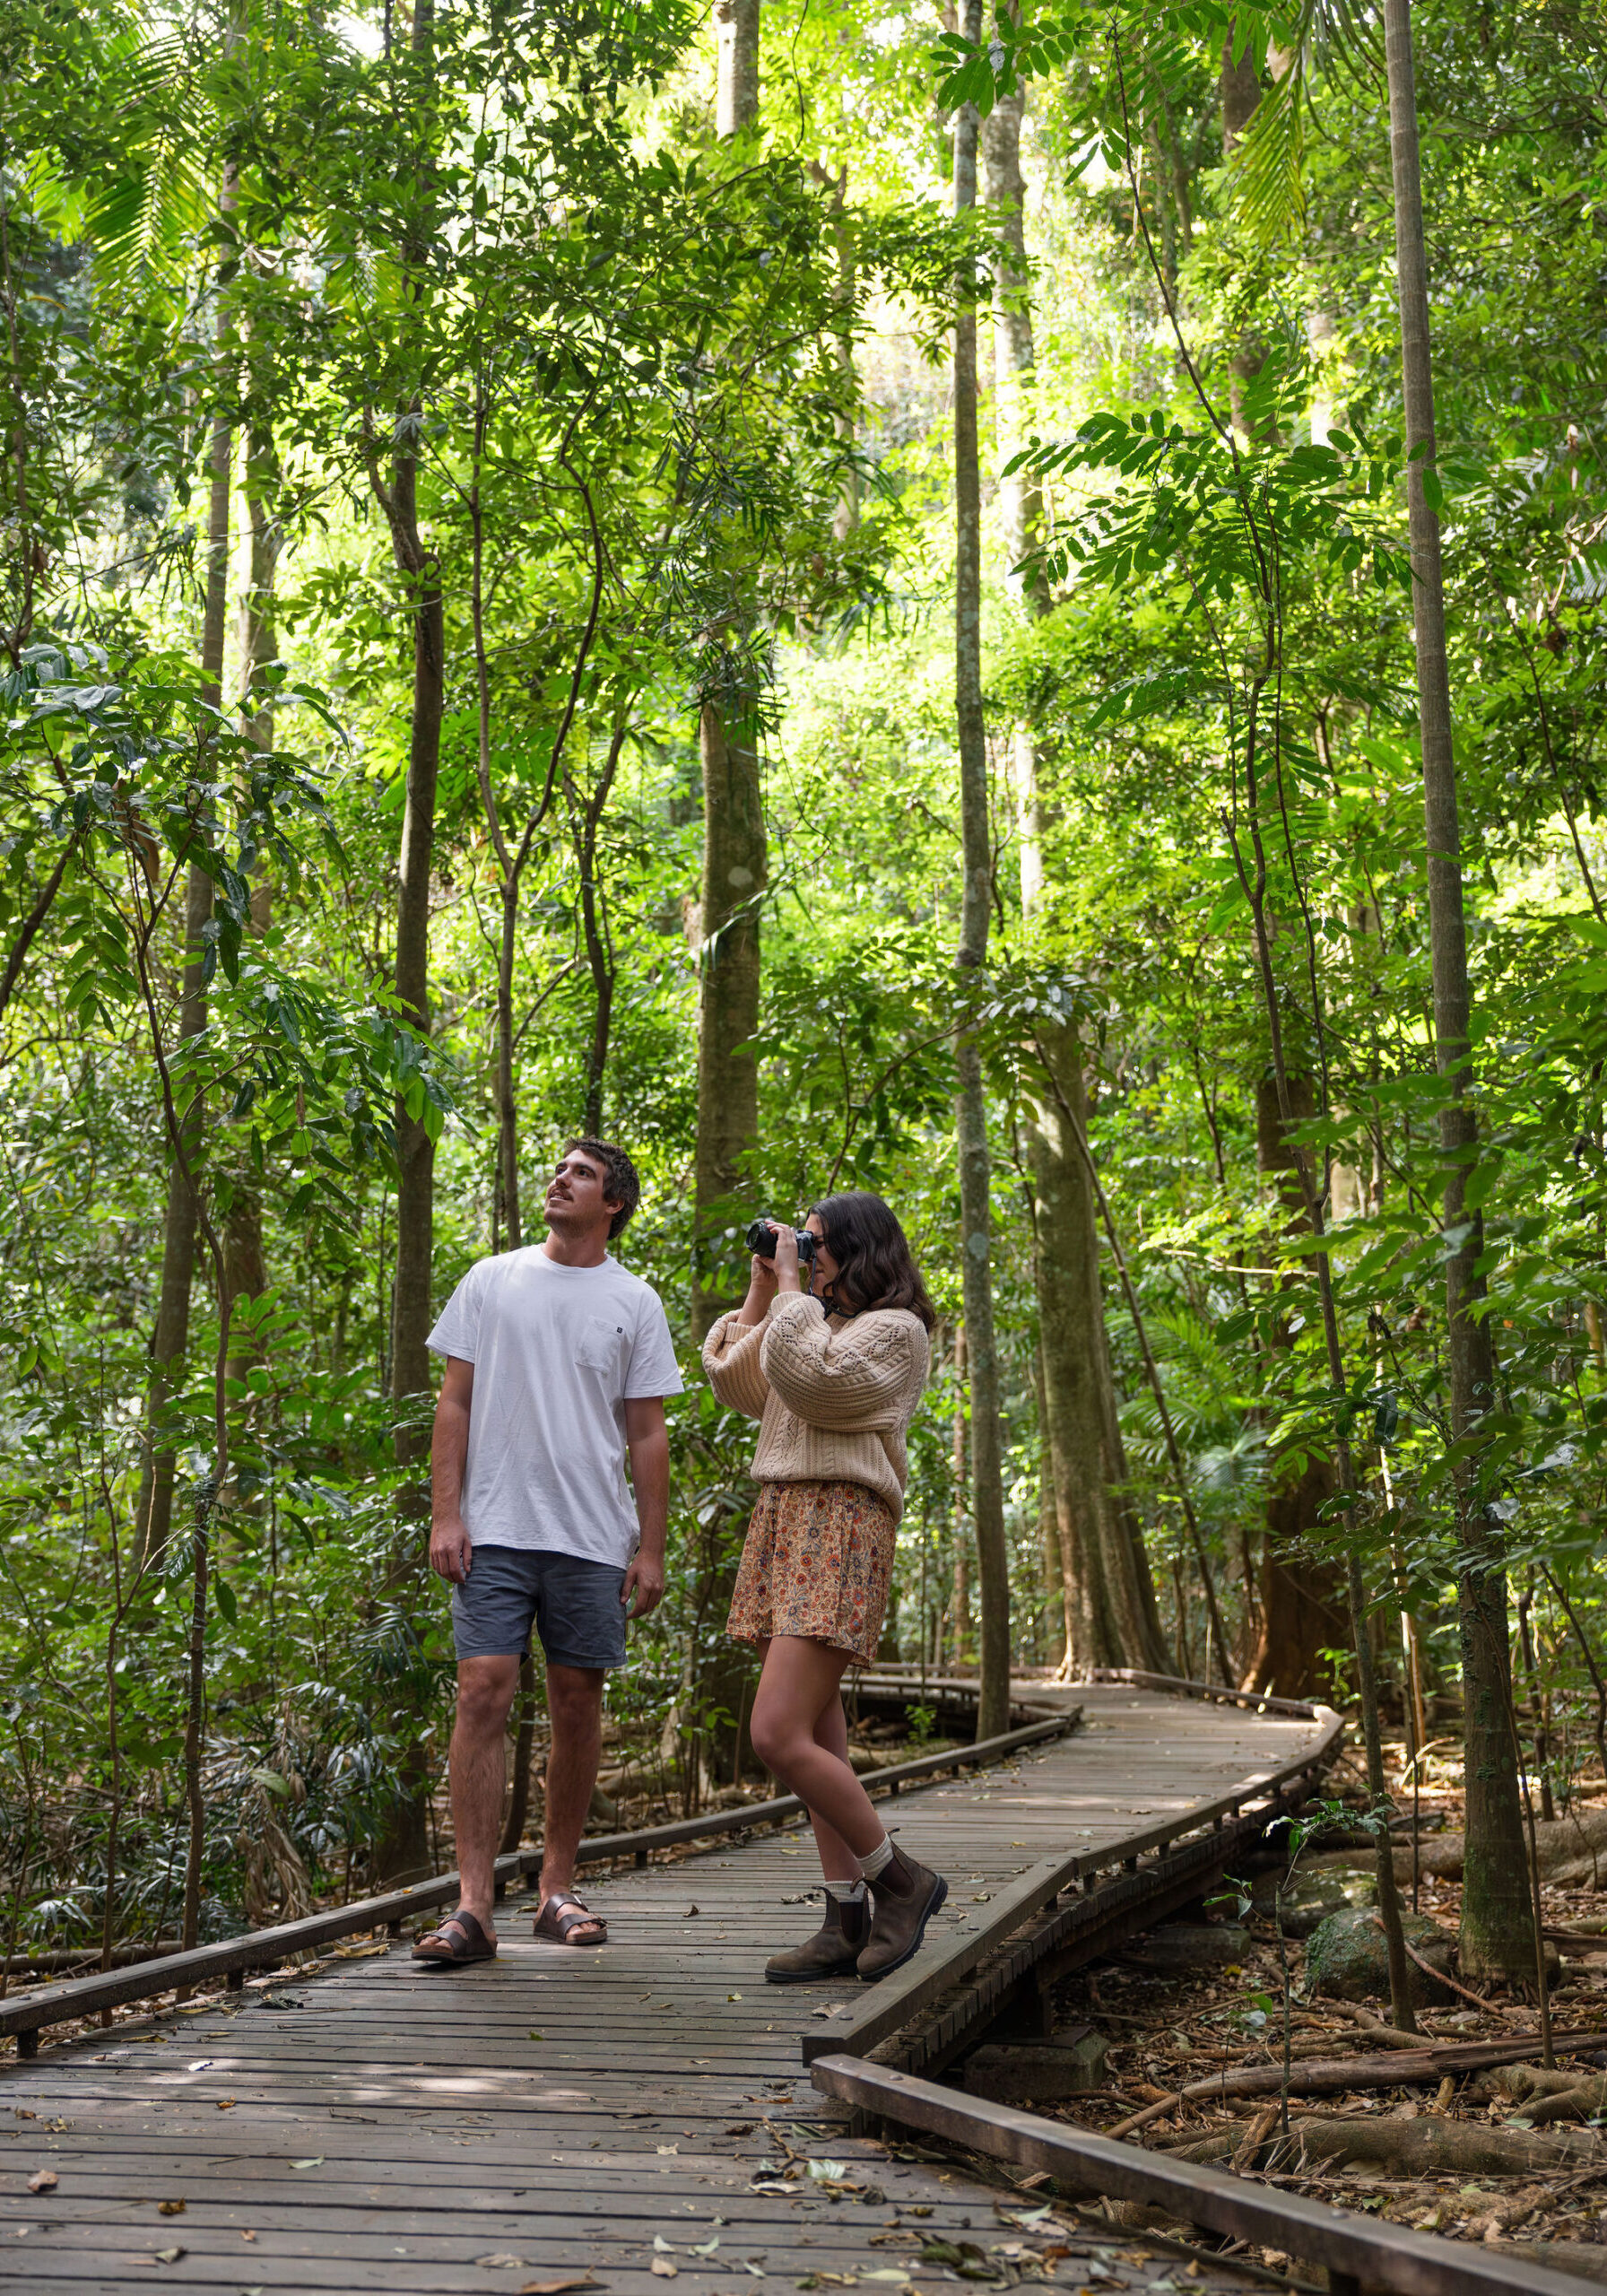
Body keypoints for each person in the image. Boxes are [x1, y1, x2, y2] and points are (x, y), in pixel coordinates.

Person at [412, 1138, 681, 1963]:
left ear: (614, 1204)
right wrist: (446, 1515)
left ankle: (556, 1888)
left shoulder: (634, 1300)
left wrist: (652, 1549)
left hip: (590, 1535)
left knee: (575, 1703)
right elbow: (453, 1403)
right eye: (560, 1169)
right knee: (481, 1692)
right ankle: (473, 1906)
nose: (561, 1180)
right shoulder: (491, 1280)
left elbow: (647, 1433)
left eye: (583, 1175)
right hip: (494, 1527)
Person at [702, 1191, 942, 1984]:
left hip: (839, 1518)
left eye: (813, 1244)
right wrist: (766, 1289)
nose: (802, 1253)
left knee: (775, 1733)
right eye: (797, 1243)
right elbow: (738, 1384)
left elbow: (820, 1385)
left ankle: (900, 1881)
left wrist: (794, 1296)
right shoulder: (808, 1318)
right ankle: (844, 1916)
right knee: (817, 1732)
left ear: (859, 1250)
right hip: (783, 1517)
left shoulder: (895, 1333)